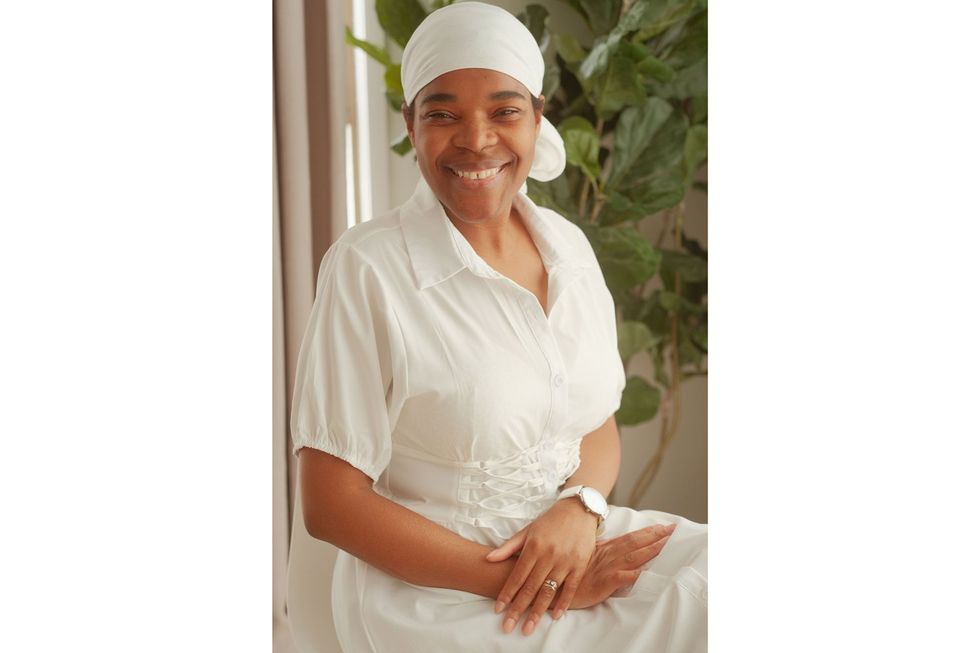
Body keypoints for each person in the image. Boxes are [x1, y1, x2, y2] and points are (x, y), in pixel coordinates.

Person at [290, 3, 707, 651]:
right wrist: (523, 579)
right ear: (411, 123)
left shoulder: (566, 246)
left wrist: (580, 507)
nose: (476, 139)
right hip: (433, 590)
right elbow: (331, 503)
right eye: (443, 113)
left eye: (504, 111)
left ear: (538, 117)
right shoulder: (368, 266)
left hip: (566, 541)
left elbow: (594, 423)